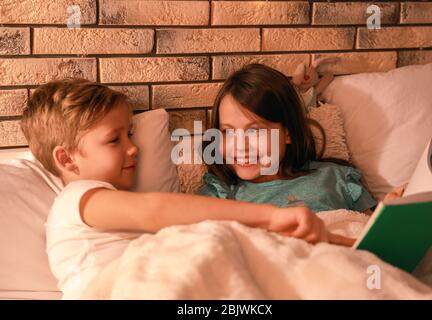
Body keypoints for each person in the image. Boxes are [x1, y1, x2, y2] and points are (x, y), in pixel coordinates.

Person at [21, 78, 354, 299]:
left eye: (131, 134)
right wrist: (268, 216)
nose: (134, 148)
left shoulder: (100, 202)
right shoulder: (77, 199)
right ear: (67, 159)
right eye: (115, 139)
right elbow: (158, 211)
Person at [198, 64, 402, 214]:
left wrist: (393, 218)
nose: (240, 147)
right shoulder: (219, 193)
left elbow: (372, 238)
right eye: (228, 132)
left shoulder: (335, 178)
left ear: (287, 132)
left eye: (254, 131)